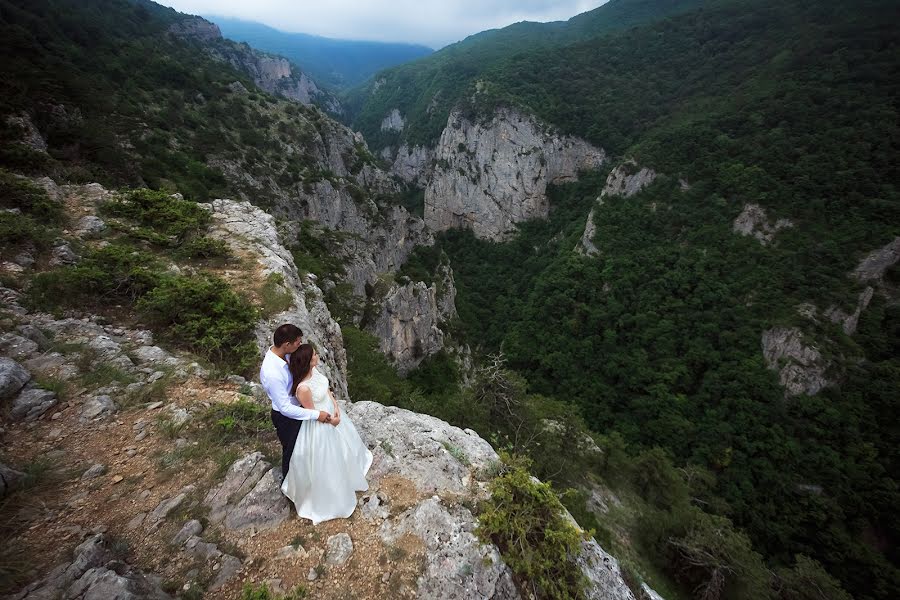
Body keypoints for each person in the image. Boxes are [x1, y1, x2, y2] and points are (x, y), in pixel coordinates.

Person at [281, 344, 373, 524]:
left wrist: (336, 406)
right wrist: (333, 421)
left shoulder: (315, 372)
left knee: (346, 448)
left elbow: (327, 391)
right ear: (308, 361)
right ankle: (331, 498)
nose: (317, 356)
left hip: (332, 412)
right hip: (321, 425)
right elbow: (312, 413)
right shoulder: (303, 389)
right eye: (314, 354)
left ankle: (351, 472)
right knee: (328, 460)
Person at [260, 324, 331, 478]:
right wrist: (315, 414)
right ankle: (290, 489)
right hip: (286, 417)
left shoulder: (286, 354)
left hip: (302, 406)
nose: (300, 344)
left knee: (304, 448)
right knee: (292, 452)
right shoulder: (272, 372)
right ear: (287, 345)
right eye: (298, 342)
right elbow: (285, 407)